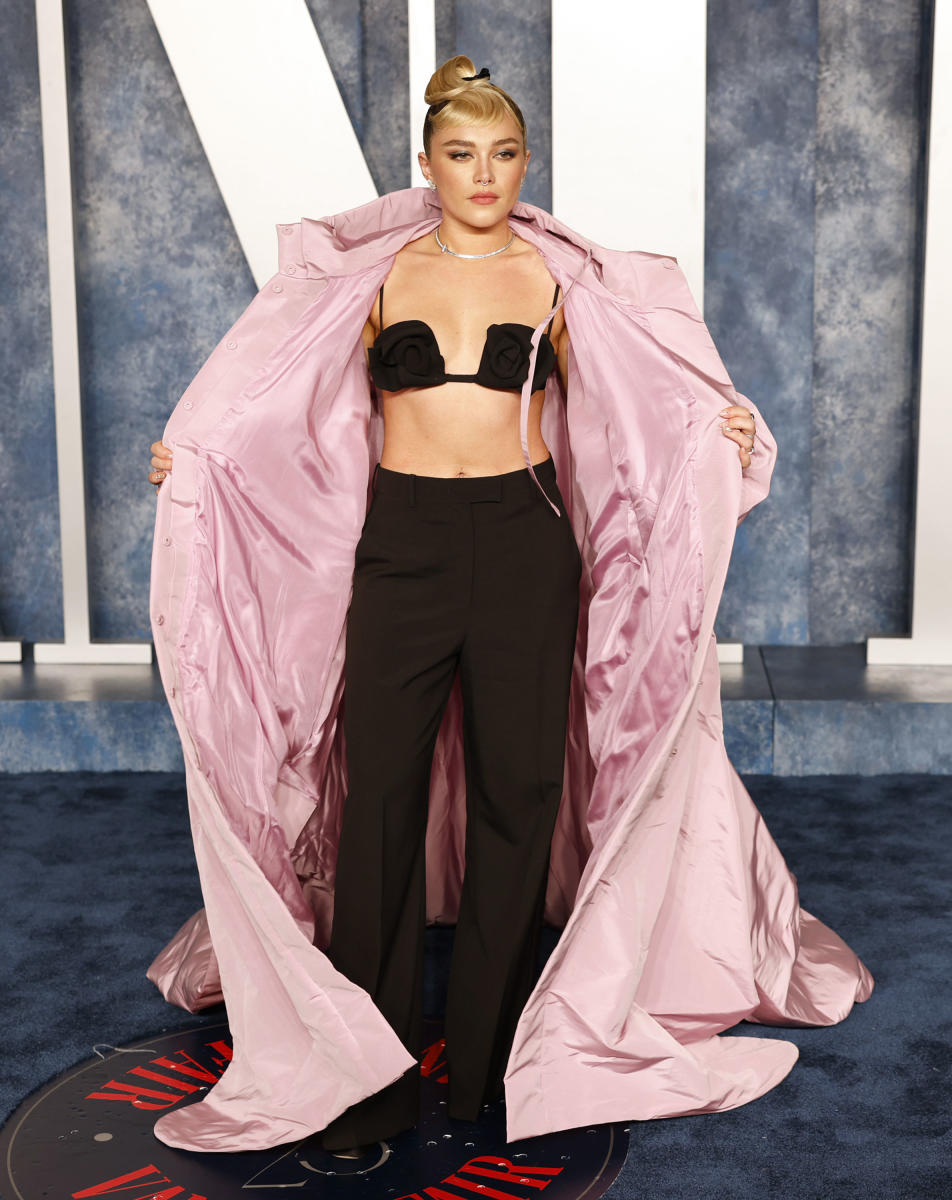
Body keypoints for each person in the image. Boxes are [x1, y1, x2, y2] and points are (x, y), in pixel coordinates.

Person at [144, 56, 871, 1157]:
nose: (482, 174)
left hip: (528, 546)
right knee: (377, 802)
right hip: (404, 546)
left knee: (518, 797)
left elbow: (645, 401)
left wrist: (713, 435)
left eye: (503, 156)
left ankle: (486, 1058)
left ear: (523, 164)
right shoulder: (372, 278)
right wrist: (196, 456)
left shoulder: (558, 279)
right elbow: (274, 394)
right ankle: (368, 1070)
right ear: (428, 164)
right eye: (460, 155)